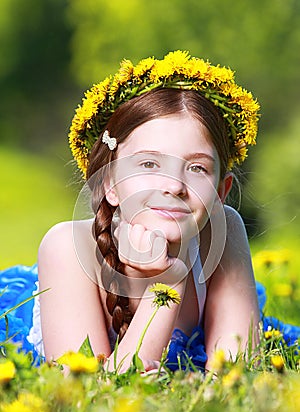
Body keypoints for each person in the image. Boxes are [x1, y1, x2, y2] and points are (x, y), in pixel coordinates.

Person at [0, 51, 264, 372]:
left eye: (197, 168)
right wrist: (167, 285)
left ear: (221, 192)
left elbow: (239, 370)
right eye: (149, 163)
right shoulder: (67, 248)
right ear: (110, 182)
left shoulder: (223, 233)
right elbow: (95, 395)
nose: (173, 186)